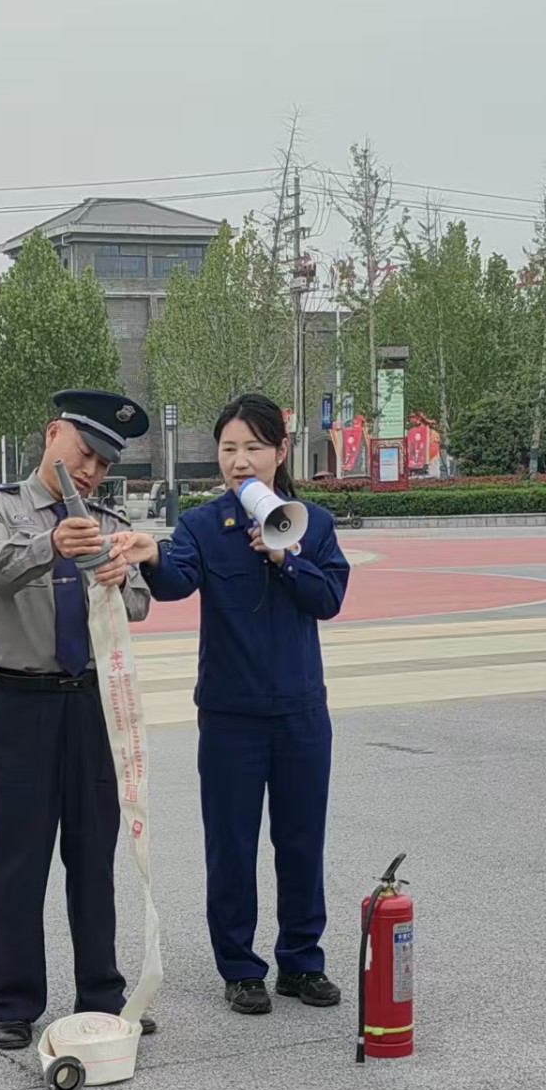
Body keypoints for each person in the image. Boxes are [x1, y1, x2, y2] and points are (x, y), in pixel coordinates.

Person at [121, 392, 350, 1016]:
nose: (239, 460)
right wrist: (152, 556)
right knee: (232, 844)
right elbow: (176, 582)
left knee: (301, 841)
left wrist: (284, 557)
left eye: (253, 447)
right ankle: (241, 968)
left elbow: (329, 599)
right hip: (230, 716)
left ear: (280, 451)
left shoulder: (314, 523)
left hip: (301, 712)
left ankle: (301, 961)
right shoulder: (202, 526)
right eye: (228, 448)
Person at [0, 389, 155, 1051]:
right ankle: (14, 1001)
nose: (91, 471)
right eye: (84, 453)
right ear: (51, 436)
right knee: (19, 856)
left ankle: (102, 993)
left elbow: (138, 605)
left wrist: (121, 571)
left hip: (92, 701)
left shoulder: (106, 518)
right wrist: (48, 544)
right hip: (21, 701)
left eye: (104, 463)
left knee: (94, 854)